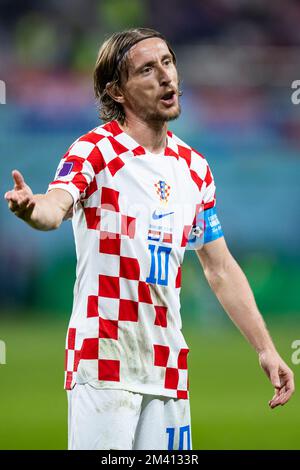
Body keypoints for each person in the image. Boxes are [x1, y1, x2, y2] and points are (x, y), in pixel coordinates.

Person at [4, 28, 294, 451]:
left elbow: (220, 267)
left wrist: (266, 349)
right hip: (103, 361)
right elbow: (56, 206)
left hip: (168, 367)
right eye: (147, 69)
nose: (166, 77)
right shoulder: (95, 151)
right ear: (116, 91)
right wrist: (33, 209)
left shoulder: (194, 169)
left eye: (168, 62)